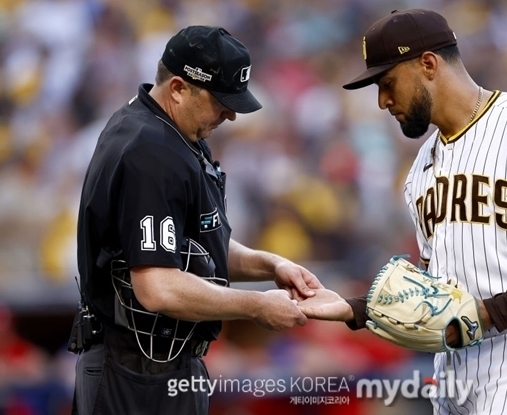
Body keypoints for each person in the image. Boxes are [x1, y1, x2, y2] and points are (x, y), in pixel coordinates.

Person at [298, 9, 507, 415]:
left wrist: (490, 313)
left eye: (387, 83)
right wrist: (358, 308)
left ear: (428, 64)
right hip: (455, 360)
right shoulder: (420, 169)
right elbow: (434, 285)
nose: (382, 101)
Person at [70, 25, 322, 415]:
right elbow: (157, 287)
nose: (231, 114)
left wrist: (271, 265)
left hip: (159, 369)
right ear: (177, 88)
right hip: (135, 375)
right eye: (221, 99)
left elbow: (198, 247)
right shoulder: (150, 150)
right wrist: (255, 307)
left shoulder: (170, 132)